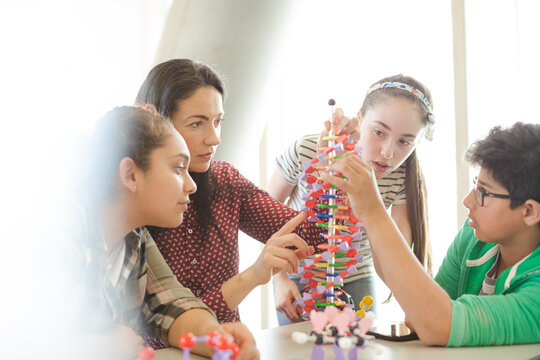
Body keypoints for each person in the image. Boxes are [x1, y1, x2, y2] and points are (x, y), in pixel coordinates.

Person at [134, 59, 329, 329]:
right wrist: (252, 276)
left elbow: (318, 236)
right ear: (156, 121)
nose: (214, 138)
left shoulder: (224, 181)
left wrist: (332, 167)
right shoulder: (133, 200)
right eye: (197, 124)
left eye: (217, 121)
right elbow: (163, 325)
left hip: (229, 348)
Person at [321, 122, 540, 346]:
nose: (468, 201)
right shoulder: (474, 237)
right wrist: (368, 212)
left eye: (483, 193)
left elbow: (435, 324)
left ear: (529, 211)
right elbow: (420, 313)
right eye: (475, 184)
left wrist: (374, 212)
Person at [73, 106, 259, 359]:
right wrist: (94, 348)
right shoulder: (61, 232)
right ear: (130, 174)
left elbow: (171, 303)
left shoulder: (134, 238)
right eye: (179, 168)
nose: (191, 185)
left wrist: (215, 337)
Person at [269, 75, 434, 324]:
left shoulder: (403, 178)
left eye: (405, 142)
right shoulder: (306, 149)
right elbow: (264, 216)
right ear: (360, 118)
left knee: (359, 348)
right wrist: (278, 277)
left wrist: (418, 308)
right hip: (295, 271)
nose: (388, 152)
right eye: (378, 132)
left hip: (357, 274)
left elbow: (394, 258)